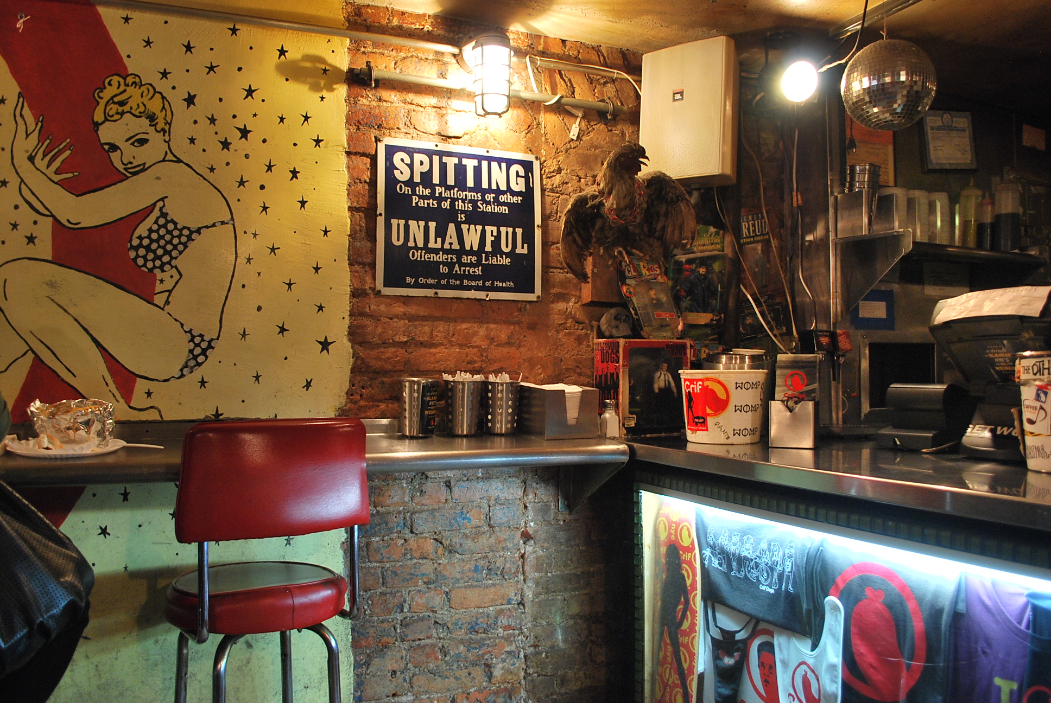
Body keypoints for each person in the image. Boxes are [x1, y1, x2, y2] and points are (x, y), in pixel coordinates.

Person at [1, 75, 236, 419]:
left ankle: (119, 410)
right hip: (172, 337)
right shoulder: (169, 183)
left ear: (164, 131)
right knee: (16, 306)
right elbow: (71, 212)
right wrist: (36, 185)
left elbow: (75, 215)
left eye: (138, 141)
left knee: (18, 279)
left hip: (177, 341)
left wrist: (22, 163)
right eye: (112, 148)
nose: (126, 157)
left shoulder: (170, 177)